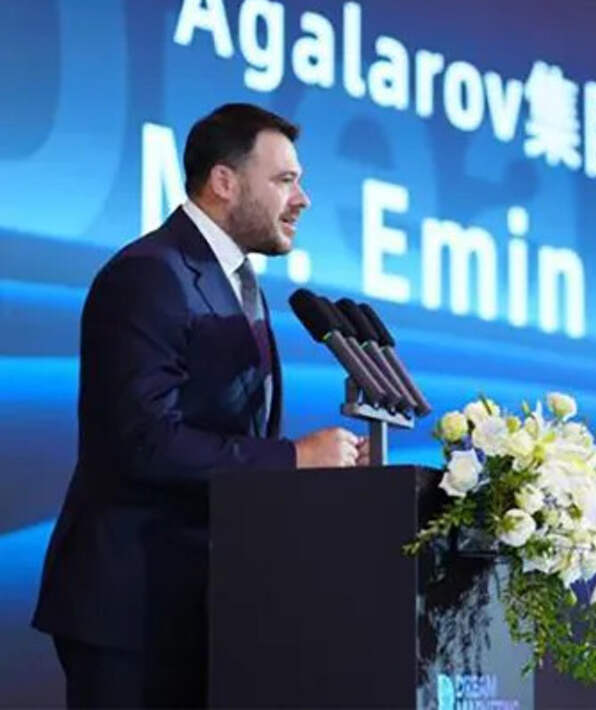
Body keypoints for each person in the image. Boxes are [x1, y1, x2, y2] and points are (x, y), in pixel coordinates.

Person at [31, 103, 366, 707]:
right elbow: (143, 440)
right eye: (285, 180)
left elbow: (229, 432)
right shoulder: (149, 274)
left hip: (208, 606)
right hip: (133, 610)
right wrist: (291, 458)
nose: (303, 199)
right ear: (223, 181)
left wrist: (321, 471)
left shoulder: (237, 280)